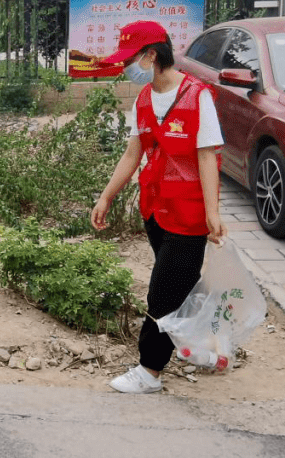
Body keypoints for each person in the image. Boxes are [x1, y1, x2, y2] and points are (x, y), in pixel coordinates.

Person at [90, 20, 227, 394]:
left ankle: (149, 371)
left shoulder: (196, 96)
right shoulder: (145, 98)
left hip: (189, 215)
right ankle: (196, 346)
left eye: (130, 60)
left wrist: (212, 214)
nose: (126, 68)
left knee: (162, 293)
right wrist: (107, 195)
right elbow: (133, 152)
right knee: (179, 286)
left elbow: (206, 157)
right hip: (156, 210)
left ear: (151, 55)